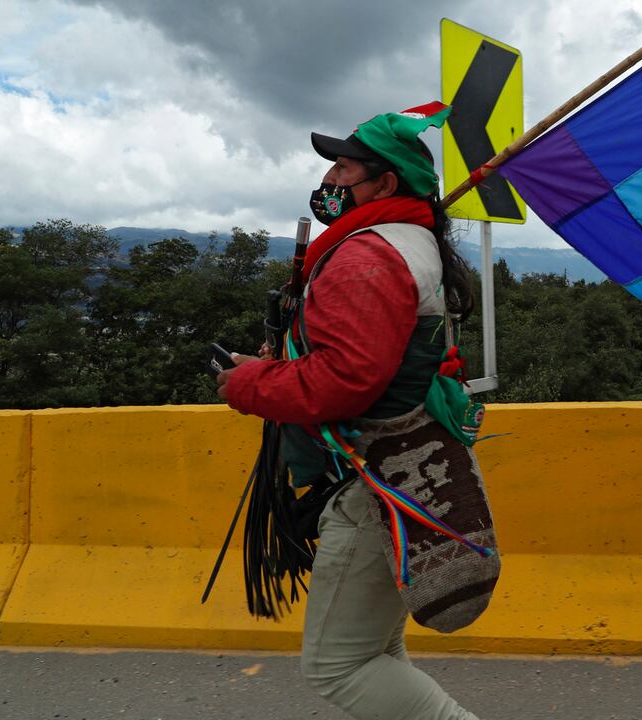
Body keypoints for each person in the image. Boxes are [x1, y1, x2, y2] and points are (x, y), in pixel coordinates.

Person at [216, 103, 486, 720]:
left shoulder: (369, 257)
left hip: (374, 480)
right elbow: (364, 356)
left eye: (342, 167)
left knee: (341, 666)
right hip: (412, 465)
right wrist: (281, 362)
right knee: (378, 649)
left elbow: (346, 381)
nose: (330, 181)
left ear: (384, 184)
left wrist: (249, 384)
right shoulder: (411, 243)